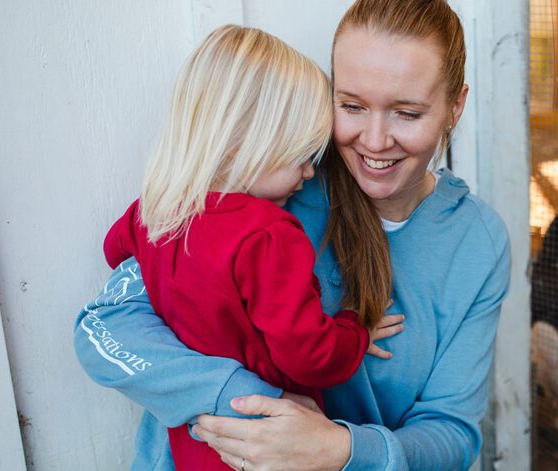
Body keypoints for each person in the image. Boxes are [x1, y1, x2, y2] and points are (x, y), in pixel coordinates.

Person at [73, 1, 511, 469]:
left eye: (406, 113)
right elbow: (104, 332)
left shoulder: (478, 241)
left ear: (455, 105)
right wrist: (255, 402)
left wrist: (338, 449)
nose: (376, 140)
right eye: (352, 106)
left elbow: (452, 435)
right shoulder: (267, 186)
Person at [97, 25, 400, 470]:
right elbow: (308, 355)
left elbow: (115, 251)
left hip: (193, 442)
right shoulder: (269, 233)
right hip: (264, 443)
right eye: (302, 155)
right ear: (249, 140)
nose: (310, 173)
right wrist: (355, 330)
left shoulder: (152, 213)